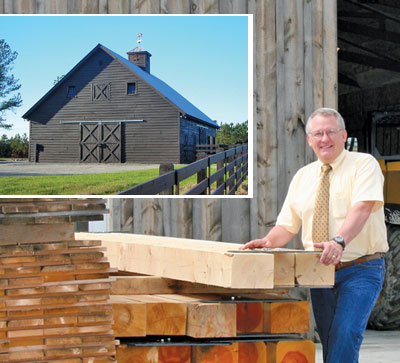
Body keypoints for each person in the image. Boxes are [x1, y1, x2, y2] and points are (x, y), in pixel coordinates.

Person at [241, 108, 389, 363]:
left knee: (345, 334)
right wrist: (267, 243)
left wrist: (339, 241)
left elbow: (363, 208)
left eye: (331, 132)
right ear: (309, 140)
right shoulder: (303, 177)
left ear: (344, 135)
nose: (325, 139)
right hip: (319, 271)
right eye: (318, 133)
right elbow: (288, 225)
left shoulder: (364, 165)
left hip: (361, 268)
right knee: (330, 340)